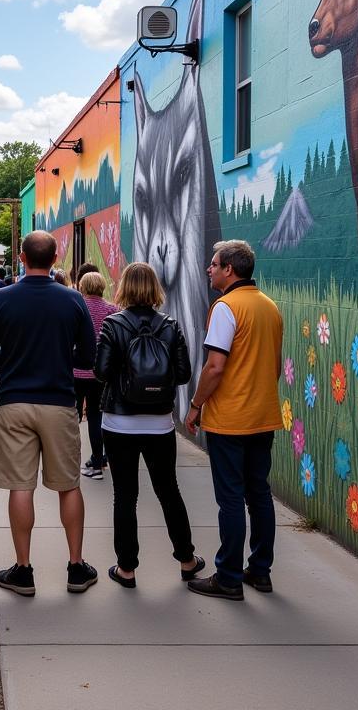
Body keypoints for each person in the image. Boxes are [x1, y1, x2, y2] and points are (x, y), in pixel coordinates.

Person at [0, 230, 98, 597]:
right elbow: (88, 357)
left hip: (13, 402)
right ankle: (76, 567)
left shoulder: (1, 299)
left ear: (22, 259)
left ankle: (24, 570)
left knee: (21, 486)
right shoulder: (73, 300)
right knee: (68, 485)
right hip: (59, 402)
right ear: (55, 258)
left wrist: (10, 355)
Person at [94, 262, 204, 588]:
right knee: (168, 490)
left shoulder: (113, 325)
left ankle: (126, 568)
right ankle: (186, 559)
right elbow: (183, 374)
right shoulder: (170, 325)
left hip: (118, 422)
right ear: (155, 288)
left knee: (125, 496)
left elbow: (100, 371)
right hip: (159, 424)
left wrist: (125, 377)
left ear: (124, 288)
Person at [185, 240, 283, 600]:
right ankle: (260, 571)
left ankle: (227, 576)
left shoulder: (225, 307)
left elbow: (215, 366)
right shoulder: (269, 307)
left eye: (214, 264)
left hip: (230, 419)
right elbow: (272, 365)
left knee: (230, 498)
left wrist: (195, 405)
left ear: (229, 269)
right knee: (259, 493)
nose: (209, 269)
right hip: (263, 416)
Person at [74, 272, 117, 480]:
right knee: (95, 417)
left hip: (75, 372)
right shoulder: (111, 309)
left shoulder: (76, 307)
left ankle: (68, 461)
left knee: (71, 417)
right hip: (100, 374)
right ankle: (98, 461)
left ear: (82, 286)